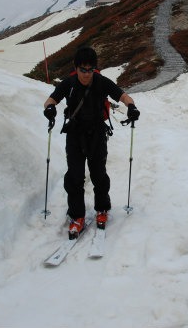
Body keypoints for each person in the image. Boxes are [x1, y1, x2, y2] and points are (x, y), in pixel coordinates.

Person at [43, 47, 140, 239]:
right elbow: (51, 99)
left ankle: (102, 209)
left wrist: (132, 107)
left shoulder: (101, 82)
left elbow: (121, 95)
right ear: (76, 67)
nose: (87, 74)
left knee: (99, 175)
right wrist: (50, 109)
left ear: (95, 68)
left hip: (97, 134)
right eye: (83, 69)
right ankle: (77, 216)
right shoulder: (69, 84)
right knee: (75, 177)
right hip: (75, 135)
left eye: (90, 69)